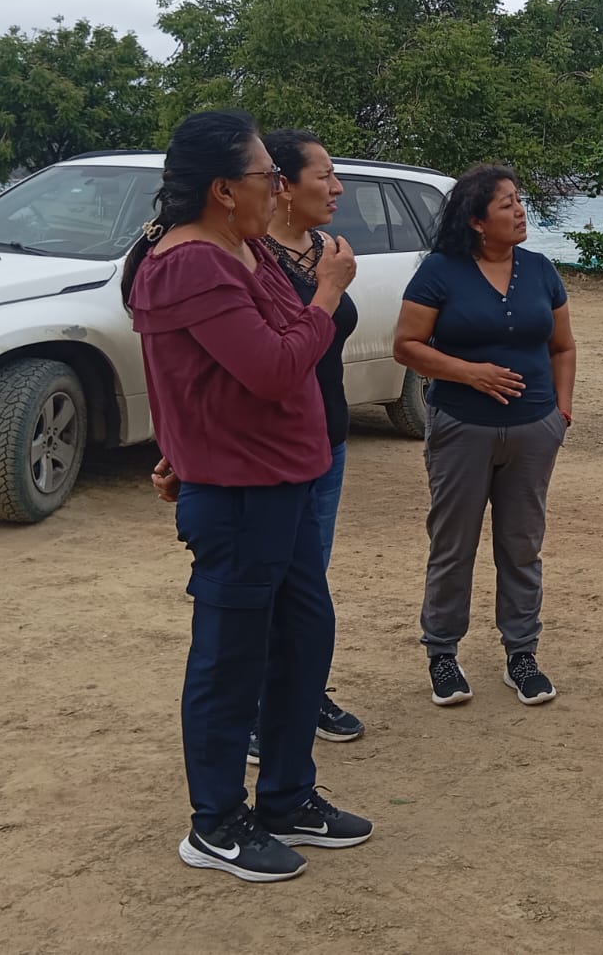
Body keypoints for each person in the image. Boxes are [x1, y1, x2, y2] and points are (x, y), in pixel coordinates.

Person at [124, 109, 373, 882]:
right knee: (230, 658)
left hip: (283, 480)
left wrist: (181, 446)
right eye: (268, 176)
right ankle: (216, 823)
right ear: (223, 189)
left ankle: (287, 797)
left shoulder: (246, 246)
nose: (279, 188)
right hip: (238, 493)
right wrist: (327, 293)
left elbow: (241, 358)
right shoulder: (189, 262)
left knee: (303, 636)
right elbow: (271, 367)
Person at [393, 165, 576, 708]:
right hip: (461, 427)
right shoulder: (440, 271)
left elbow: (563, 346)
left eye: (519, 200)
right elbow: (406, 345)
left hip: (534, 429)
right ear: (476, 221)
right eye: (506, 204)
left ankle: (522, 654)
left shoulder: (541, 270)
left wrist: (561, 412)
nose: (520, 211)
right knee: (454, 544)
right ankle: (442, 654)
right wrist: (469, 373)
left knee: (522, 545)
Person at [253, 129, 364, 750]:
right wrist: (329, 288)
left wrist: (333, 281)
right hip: (273, 446)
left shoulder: (330, 250)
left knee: (310, 580)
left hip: (330, 439)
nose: (337, 188)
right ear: (284, 186)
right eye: (324, 176)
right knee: (267, 578)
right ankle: (256, 707)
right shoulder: (251, 258)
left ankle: (303, 691)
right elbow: (273, 353)